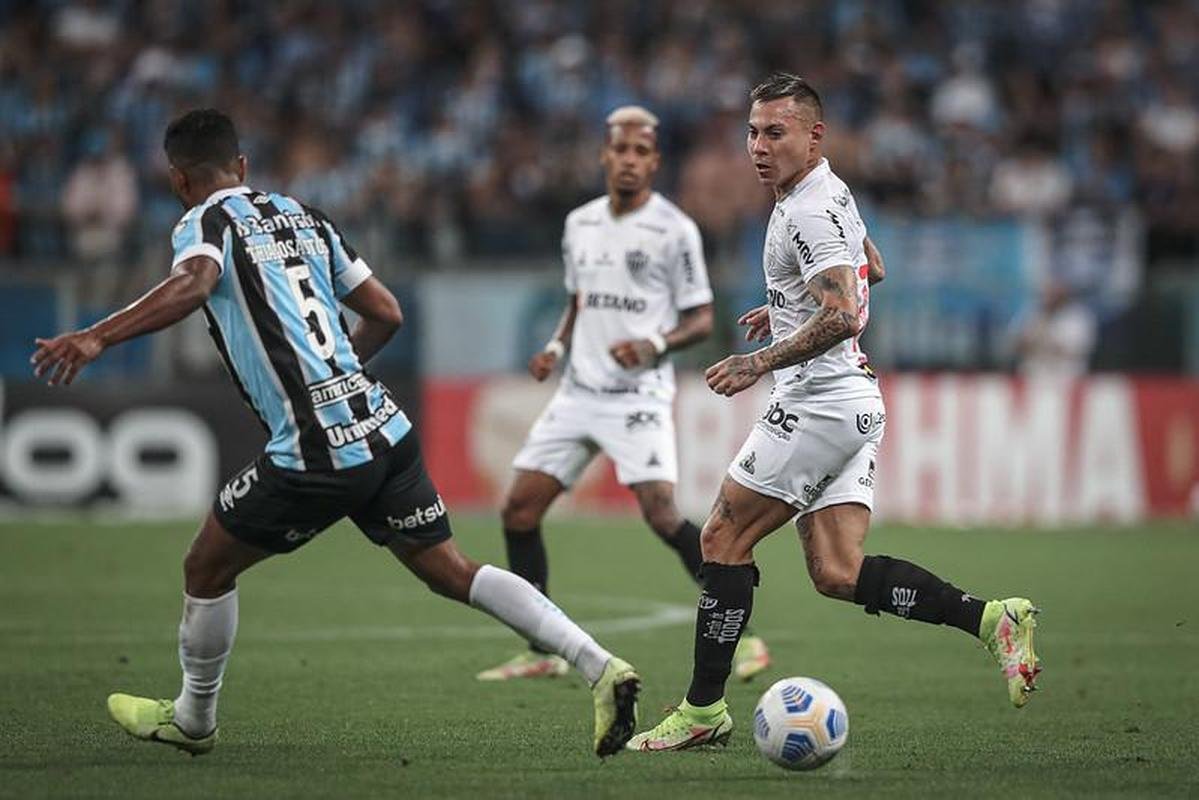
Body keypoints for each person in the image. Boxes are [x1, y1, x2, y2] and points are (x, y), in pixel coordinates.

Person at [31, 109, 640, 758]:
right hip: (383, 426)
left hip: (317, 450)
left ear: (179, 181)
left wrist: (98, 333)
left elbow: (196, 281)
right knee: (450, 569)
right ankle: (599, 665)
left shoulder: (204, 222)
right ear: (242, 166)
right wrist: (337, 375)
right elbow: (386, 312)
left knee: (205, 567)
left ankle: (194, 719)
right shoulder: (304, 216)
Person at [628, 75, 1041, 752]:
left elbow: (844, 311)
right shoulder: (829, 192)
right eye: (752, 133)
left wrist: (759, 360)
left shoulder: (806, 212)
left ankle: (701, 713)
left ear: (812, 135)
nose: (758, 147)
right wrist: (787, 305)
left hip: (816, 405)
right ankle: (992, 619)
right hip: (852, 402)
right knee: (838, 574)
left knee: (721, 541)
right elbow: (867, 268)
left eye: (775, 133)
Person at [477, 106, 771, 683]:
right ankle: (541, 646)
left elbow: (701, 317)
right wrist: (556, 349)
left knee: (662, 515)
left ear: (654, 161)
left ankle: (745, 636)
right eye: (621, 151)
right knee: (518, 510)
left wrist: (655, 343)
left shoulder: (674, 230)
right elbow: (578, 301)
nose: (630, 161)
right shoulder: (580, 224)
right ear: (605, 157)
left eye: (642, 153)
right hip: (577, 392)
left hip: (637, 396)